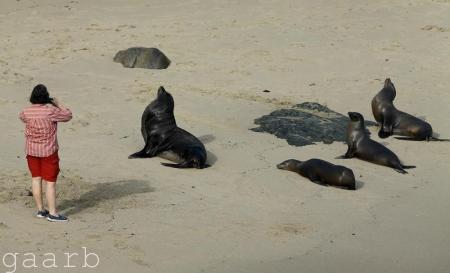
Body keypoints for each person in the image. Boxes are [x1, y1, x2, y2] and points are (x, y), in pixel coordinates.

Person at [19, 84, 72, 222]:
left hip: (31, 151)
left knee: (36, 179)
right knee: (50, 182)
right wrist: (58, 104)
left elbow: (22, 117)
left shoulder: (26, 111)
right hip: (48, 151)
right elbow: (68, 115)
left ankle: (41, 210)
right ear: (46, 97)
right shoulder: (50, 111)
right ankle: (53, 213)